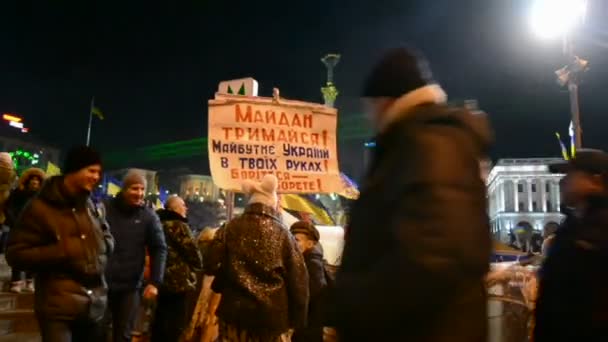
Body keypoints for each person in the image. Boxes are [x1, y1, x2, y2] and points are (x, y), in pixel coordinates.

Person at [332, 47, 492, 341]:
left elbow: (433, 257)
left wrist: (354, 306)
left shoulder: (431, 144)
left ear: (387, 101)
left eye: (370, 105)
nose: (369, 116)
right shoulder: (415, 143)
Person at [6, 146, 114, 341]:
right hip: (58, 307)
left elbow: (106, 234)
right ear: (73, 170)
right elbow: (16, 253)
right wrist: (61, 251)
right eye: (91, 170)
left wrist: (105, 246)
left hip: (94, 306)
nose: (96, 177)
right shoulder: (40, 207)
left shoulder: (92, 205)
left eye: (99, 172)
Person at [204, 175, 309, 341]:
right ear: (272, 203)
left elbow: (210, 265)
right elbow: (299, 283)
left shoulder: (229, 228)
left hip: (234, 315)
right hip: (271, 320)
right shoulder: (284, 235)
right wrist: (297, 321)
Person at [534, 149, 608, 341]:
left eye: (572, 175)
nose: (563, 181)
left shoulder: (598, 229)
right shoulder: (575, 225)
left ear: (595, 181)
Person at [105, 169, 167, 342]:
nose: (139, 193)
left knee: (124, 334)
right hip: (103, 283)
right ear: (124, 190)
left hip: (130, 286)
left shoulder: (149, 216)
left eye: (142, 189)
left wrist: (155, 282)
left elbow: (159, 248)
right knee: (98, 331)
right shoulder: (106, 209)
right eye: (134, 188)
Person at [151, 195, 202, 342]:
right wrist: (198, 264)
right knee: (176, 320)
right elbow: (194, 253)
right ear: (175, 208)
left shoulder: (157, 223)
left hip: (159, 277)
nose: (186, 208)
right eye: (183, 205)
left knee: (160, 317)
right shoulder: (179, 226)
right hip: (178, 281)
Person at [5, 167, 46, 293]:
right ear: (27, 181)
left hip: (34, 231)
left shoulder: (42, 197)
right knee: (17, 256)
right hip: (18, 229)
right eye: (32, 179)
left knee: (33, 257)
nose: (34, 182)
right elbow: (9, 208)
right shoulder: (18, 193)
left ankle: (30, 281)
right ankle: (16, 282)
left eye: (37, 180)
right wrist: (14, 222)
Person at [290, 221, 327, 342]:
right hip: (306, 321)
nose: (292, 243)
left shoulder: (312, 263)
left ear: (310, 244)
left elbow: (311, 291)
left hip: (310, 322)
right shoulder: (303, 259)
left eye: (297, 240)